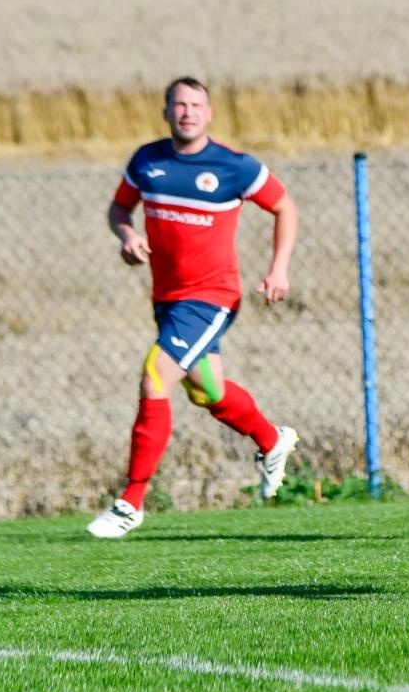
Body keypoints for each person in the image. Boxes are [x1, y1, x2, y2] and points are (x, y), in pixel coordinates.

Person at [87, 77, 301, 539]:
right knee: (208, 391)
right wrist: (127, 235)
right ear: (166, 112)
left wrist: (279, 269)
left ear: (210, 113)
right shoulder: (147, 161)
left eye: (196, 105)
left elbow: (285, 207)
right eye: (179, 105)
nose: (187, 112)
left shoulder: (234, 167)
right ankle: (272, 439)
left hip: (211, 297)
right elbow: (119, 209)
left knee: (156, 376)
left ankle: (130, 503)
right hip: (168, 298)